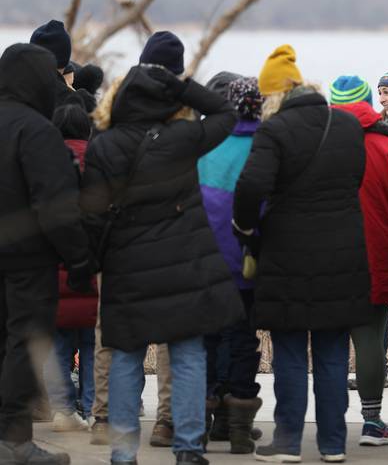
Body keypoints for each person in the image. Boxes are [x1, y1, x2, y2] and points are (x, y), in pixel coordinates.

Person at [79, 31, 244, 465]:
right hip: (183, 262)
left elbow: (91, 214)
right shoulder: (184, 138)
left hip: (126, 264)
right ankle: (188, 449)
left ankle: (122, 452)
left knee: (126, 359)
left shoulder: (105, 144)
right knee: (188, 355)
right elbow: (226, 111)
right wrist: (179, 85)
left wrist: (90, 264)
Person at [233, 45, 373, 463]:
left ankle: (289, 442)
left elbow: (250, 188)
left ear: (274, 95)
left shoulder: (274, 132)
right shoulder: (347, 126)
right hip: (343, 255)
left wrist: (245, 228)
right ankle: (332, 445)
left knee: (291, 353)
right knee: (332, 354)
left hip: (287, 255)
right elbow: (356, 178)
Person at [0, 42, 94, 465]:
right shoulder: (36, 131)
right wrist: (79, 260)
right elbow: (55, 206)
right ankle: (14, 440)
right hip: (27, 261)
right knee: (24, 343)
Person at [329, 75, 388, 447]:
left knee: (328, 342)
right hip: (375, 255)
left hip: (327, 257)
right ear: (367, 104)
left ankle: (330, 422)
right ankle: (372, 421)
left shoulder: (319, 144)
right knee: (370, 339)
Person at [198, 73, 265, 454]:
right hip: (247, 262)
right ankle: (238, 428)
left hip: (208, 262)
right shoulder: (264, 146)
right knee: (243, 342)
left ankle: (202, 423)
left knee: (206, 342)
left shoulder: (207, 146)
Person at [43, 104, 98, 433]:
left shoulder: (45, 160)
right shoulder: (98, 160)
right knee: (92, 342)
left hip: (53, 264)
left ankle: (62, 409)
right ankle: (93, 407)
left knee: (59, 341)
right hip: (92, 264)